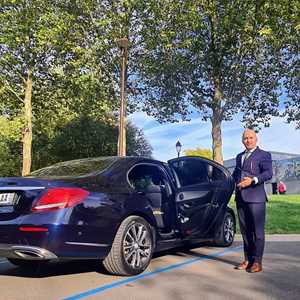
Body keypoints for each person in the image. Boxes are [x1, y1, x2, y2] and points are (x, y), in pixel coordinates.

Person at [232, 128, 273, 273]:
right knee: (245, 232)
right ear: (242, 140)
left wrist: (253, 180)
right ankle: (248, 259)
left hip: (256, 198)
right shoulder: (239, 157)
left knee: (258, 232)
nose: (247, 140)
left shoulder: (264, 155)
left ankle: (257, 262)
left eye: (250, 138)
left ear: (256, 139)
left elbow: (268, 173)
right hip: (240, 198)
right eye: (245, 138)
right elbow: (236, 174)